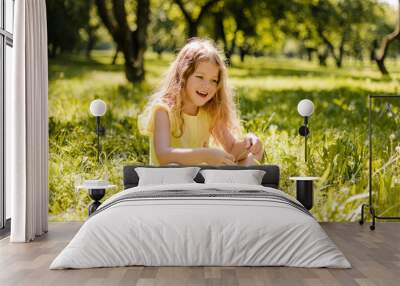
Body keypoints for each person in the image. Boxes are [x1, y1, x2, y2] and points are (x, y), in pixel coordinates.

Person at [138, 38, 264, 166]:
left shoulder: (209, 112)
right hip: (167, 179)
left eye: (213, 80)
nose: (207, 86)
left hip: (200, 180)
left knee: (253, 155)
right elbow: (164, 156)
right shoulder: (164, 111)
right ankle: (238, 182)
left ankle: (241, 182)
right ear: (183, 75)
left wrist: (249, 144)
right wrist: (205, 155)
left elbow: (231, 150)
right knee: (173, 166)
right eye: (200, 77)